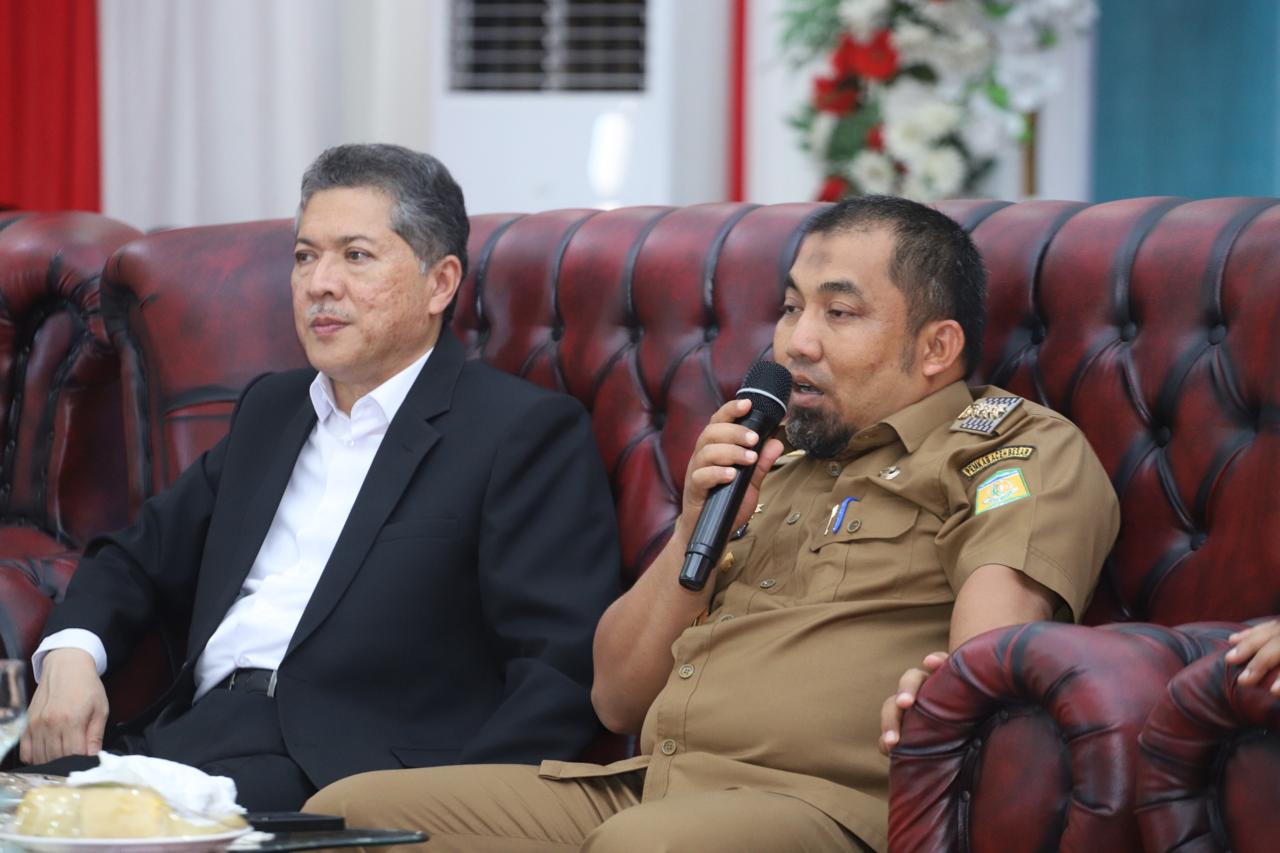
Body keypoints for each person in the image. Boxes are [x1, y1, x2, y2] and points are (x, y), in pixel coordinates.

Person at [305, 195, 1121, 852]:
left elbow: (988, 661)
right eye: (792, 307)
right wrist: (697, 520)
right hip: (650, 792)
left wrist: (943, 693)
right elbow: (615, 697)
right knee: (345, 818)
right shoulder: (775, 460)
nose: (796, 342)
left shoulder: (1005, 447)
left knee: (642, 846)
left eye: (839, 313)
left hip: (830, 811)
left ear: (936, 346)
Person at [19, 144, 620, 811]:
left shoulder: (521, 432)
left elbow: (560, 667)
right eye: (305, 256)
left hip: (346, 777)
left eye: (355, 255)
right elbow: (136, 557)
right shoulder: (271, 411)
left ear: (440, 283)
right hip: (187, 742)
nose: (319, 284)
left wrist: (461, 814)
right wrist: (71, 655)